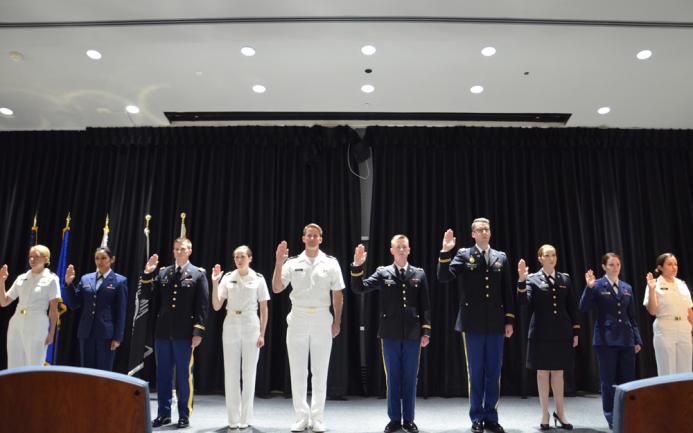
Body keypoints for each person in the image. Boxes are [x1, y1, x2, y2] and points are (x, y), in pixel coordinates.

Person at [437, 218, 515, 433]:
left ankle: (491, 416)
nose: (484, 232)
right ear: (473, 234)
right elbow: (444, 277)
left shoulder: (501, 257)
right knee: (476, 372)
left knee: (494, 371)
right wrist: (445, 252)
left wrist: (509, 320)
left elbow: (506, 291)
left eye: (486, 229)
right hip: (472, 323)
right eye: (480, 229)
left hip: (496, 323)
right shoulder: (464, 255)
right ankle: (476, 417)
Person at [351, 235, 431, 433]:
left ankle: (409, 420)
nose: (402, 250)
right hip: (390, 333)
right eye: (398, 247)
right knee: (393, 378)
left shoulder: (418, 274)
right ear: (392, 250)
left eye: (404, 247)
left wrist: (426, 331)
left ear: (409, 249)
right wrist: (357, 266)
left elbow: (425, 306)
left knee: (411, 378)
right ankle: (395, 419)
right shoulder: (383, 273)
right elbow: (359, 288)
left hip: (413, 334)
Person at [272, 223, 344, 433]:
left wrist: (337, 321)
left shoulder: (330, 263)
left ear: (321, 239)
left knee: (320, 371)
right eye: (308, 235)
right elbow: (277, 287)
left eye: (316, 236)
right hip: (298, 317)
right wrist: (278, 262)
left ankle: (318, 418)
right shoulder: (293, 262)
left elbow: (338, 294)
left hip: (322, 317)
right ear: (303, 239)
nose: (312, 238)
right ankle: (301, 417)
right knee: (298, 371)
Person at [142, 237, 210, 429]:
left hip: (185, 334)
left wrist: (198, 331)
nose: (179, 252)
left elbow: (202, 306)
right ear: (173, 252)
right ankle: (163, 413)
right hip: (163, 332)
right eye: (176, 249)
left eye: (182, 249)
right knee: (162, 374)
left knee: (183, 375)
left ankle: (184, 414)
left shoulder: (198, 274)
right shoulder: (164, 272)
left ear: (189, 251)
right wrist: (148, 273)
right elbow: (149, 295)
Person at [517, 245, 579, 430]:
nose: (551, 258)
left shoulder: (565, 279)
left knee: (559, 373)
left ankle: (560, 412)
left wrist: (575, 331)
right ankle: (544, 413)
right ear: (540, 258)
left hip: (561, 332)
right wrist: (521, 281)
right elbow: (523, 303)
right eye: (547, 255)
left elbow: (572, 307)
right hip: (540, 332)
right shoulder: (532, 279)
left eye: (554, 255)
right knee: (543, 373)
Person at [580, 252, 642, 429]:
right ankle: (612, 418)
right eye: (611, 265)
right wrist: (589, 288)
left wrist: (637, 340)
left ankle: (628, 415)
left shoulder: (627, 287)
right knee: (608, 382)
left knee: (627, 381)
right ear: (604, 267)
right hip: (606, 341)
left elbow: (632, 316)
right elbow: (583, 307)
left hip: (627, 340)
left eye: (618, 265)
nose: (615, 268)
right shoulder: (597, 285)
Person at [211, 245, 269, 430]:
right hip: (231, 323)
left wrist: (262, 333)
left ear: (250, 258)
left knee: (249, 372)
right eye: (236, 257)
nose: (239, 260)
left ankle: (246, 417)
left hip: (251, 323)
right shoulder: (228, 278)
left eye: (243, 256)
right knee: (231, 373)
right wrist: (214, 283)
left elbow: (264, 308)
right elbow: (217, 305)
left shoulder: (258, 278)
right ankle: (233, 418)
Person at [63, 246, 128, 371]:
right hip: (86, 332)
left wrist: (117, 337)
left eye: (103, 258)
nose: (100, 261)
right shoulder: (86, 278)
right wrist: (69, 284)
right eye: (97, 258)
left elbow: (121, 311)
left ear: (112, 259)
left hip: (106, 334)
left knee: (103, 371)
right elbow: (74, 304)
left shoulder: (120, 281)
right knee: (87, 371)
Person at [0, 245, 60, 368]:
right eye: (30, 257)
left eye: (36, 257)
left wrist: (52, 332)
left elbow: (53, 310)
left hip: (37, 324)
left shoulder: (52, 279)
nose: (32, 260)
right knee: (14, 364)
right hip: (16, 323)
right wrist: (1, 281)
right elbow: (4, 302)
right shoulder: (21, 278)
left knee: (34, 365)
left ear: (46, 259)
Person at [644, 253, 692, 375]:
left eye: (675, 264)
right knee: (667, 369)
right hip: (665, 327)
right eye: (669, 264)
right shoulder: (654, 284)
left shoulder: (682, 284)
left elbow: (689, 309)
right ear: (660, 267)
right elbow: (652, 311)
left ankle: (684, 395)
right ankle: (668, 394)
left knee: (686, 369)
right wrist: (651, 290)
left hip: (684, 327)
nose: (674, 267)